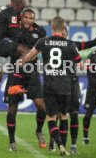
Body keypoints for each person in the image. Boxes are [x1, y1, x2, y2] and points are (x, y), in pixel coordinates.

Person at [22, 16, 81, 156]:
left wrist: (21, 63)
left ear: (52, 27)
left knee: (51, 117)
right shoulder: (70, 44)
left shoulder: (43, 41)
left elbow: (29, 57)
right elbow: (81, 65)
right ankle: (64, 148)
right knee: (64, 116)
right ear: (63, 28)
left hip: (49, 86)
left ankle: (59, 145)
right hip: (65, 85)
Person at [48, 22, 96, 154]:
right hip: (59, 83)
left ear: (67, 32)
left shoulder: (73, 45)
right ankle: (54, 140)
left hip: (73, 83)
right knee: (59, 114)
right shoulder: (51, 44)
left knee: (74, 115)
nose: (63, 32)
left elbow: (93, 42)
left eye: (65, 30)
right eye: (62, 30)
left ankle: (73, 145)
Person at [3, 8, 47, 151]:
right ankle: (11, 141)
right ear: (21, 18)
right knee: (12, 108)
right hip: (15, 73)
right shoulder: (14, 31)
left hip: (31, 73)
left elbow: (37, 51)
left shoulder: (40, 32)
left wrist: (25, 59)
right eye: (26, 17)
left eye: (31, 18)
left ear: (34, 19)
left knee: (41, 106)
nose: (28, 20)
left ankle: (39, 130)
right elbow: (12, 48)